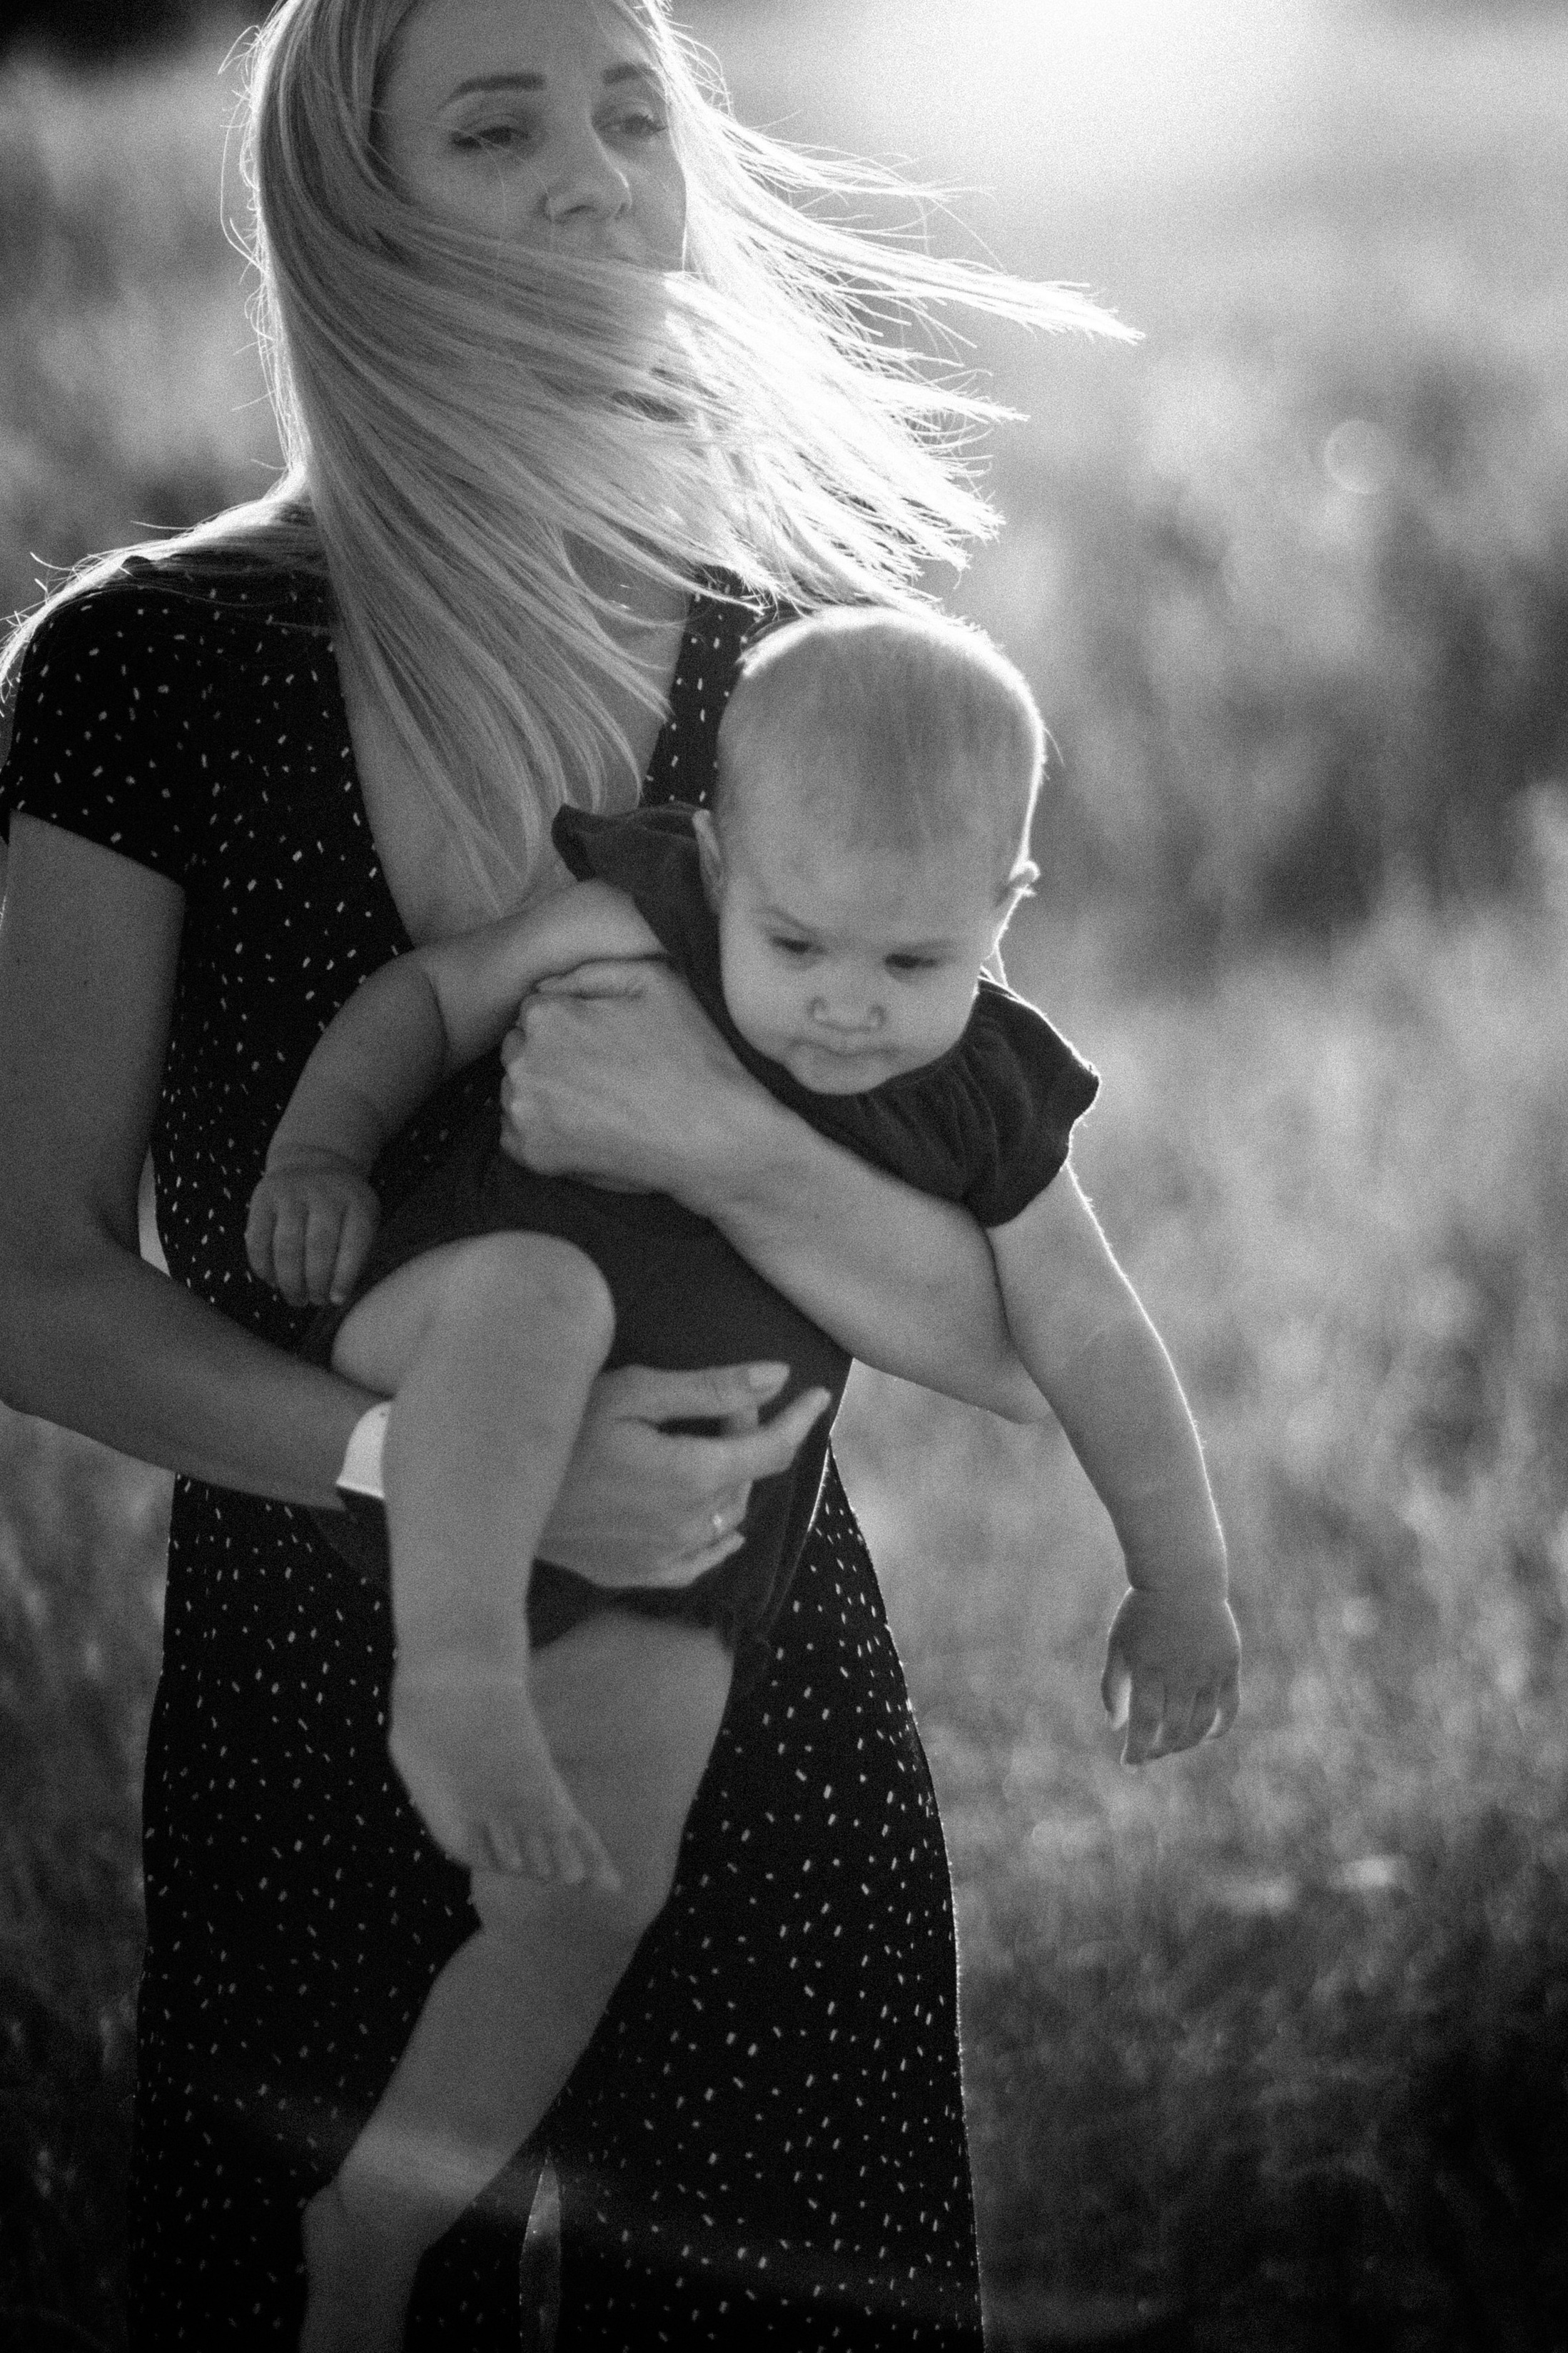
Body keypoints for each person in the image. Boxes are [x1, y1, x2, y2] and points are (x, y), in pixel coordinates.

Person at [0, 0, 1165, 2347]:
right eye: (498, 127)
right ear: (349, 201)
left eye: (632, 112)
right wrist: (440, 1472)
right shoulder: (153, 670)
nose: (596, 171)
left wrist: (725, 1145)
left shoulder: (795, 692)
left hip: (752, 1699)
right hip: (328, 1700)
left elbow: (984, 1313)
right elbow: (46, 1301)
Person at [246, 604, 1239, 2349]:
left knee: (584, 1904)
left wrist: (1180, 1576)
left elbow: (1083, 1336)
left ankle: (373, 2226)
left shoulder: (984, 1092)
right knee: (547, 1291)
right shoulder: (648, 909)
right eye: (798, 941)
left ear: (1003, 919)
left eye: (912, 966)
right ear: (718, 855)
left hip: (680, 1558)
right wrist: (324, 1145)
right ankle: (455, 1678)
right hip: (451, 1366)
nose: (850, 1003)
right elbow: (429, 995)